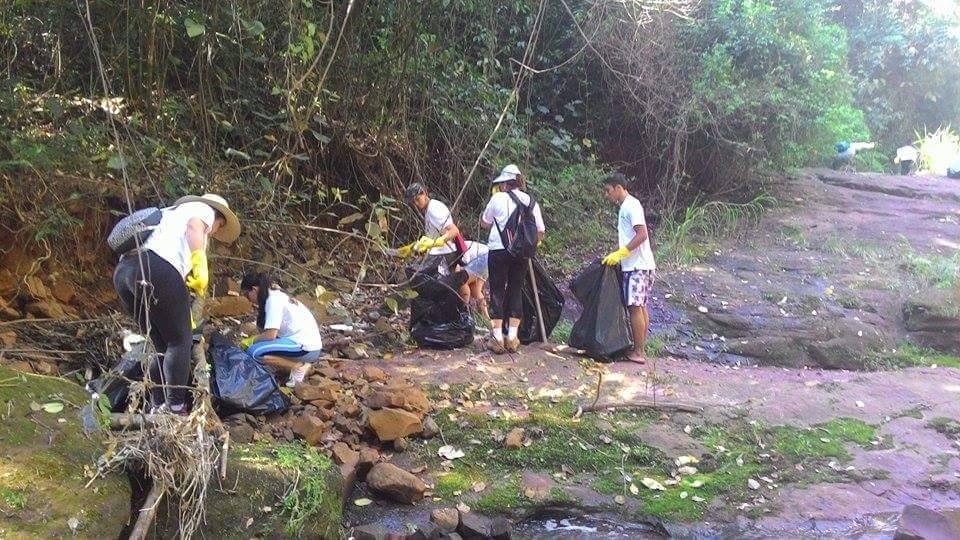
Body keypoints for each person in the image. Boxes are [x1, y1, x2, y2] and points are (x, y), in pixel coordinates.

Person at [112, 193, 241, 415]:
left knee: (160, 344)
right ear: (218, 218)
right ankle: (175, 407)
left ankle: (158, 405)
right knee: (179, 342)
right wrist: (200, 261)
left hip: (124, 272)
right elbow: (195, 227)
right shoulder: (202, 210)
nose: (216, 230)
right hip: (155, 268)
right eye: (219, 227)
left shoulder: (169, 215)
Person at [480, 164, 545, 354]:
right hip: (522, 253)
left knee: (498, 290)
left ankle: (497, 338)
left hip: (498, 250)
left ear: (504, 184)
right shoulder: (531, 201)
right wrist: (531, 245)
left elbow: (485, 223)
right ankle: (513, 337)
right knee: (516, 289)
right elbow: (540, 231)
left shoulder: (497, 198)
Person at [601, 173, 656, 364]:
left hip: (637, 266)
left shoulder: (631, 206)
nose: (606, 195)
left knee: (634, 307)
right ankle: (639, 348)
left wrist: (621, 253)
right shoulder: (626, 206)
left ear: (618, 188)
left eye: (608, 191)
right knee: (640, 307)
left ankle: (639, 352)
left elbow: (642, 235)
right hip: (639, 264)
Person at [239, 273, 324, 387]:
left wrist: (252, 340)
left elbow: (271, 335)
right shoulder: (273, 295)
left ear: (254, 289)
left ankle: (299, 367)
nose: (248, 300)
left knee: (253, 352)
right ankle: (288, 367)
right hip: (302, 343)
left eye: (246, 295)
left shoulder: (273, 300)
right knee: (259, 348)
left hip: (305, 346)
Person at [399, 183, 463, 273]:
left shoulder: (434, 209)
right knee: (458, 283)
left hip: (446, 253)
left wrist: (435, 242)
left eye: (418, 199)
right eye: (413, 202)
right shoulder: (428, 208)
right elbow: (432, 234)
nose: (416, 204)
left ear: (424, 193)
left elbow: (454, 231)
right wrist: (414, 247)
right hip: (441, 252)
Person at [459, 241, 490, 323]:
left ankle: (464, 314)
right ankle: (486, 320)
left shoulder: (446, 249)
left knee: (461, 281)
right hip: (488, 256)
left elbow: (464, 261)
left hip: (482, 257)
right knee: (475, 290)